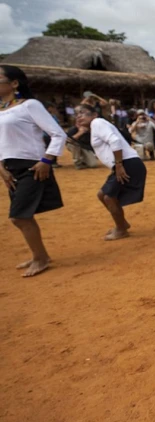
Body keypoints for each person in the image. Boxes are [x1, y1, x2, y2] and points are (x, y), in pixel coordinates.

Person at [0, 65, 66, 277]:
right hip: (11, 168)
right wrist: (1, 168)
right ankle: (39, 255)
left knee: (19, 217)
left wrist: (46, 159)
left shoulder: (30, 105)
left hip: (32, 166)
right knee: (24, 215)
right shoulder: (2, 109)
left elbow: (58, 134)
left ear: (14, 83)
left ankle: (41, 258)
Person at [75, 105, 147, 241]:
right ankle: (122, 223)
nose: (79, 116)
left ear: (95, 115)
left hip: (126, 163)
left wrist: (119, 165)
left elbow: (115, 141)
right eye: (77, 114)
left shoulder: (98, 123)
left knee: (108, 196)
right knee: (102, 195)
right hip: (123, 163)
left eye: (83, 113)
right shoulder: (95, 127)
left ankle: (121, 229)